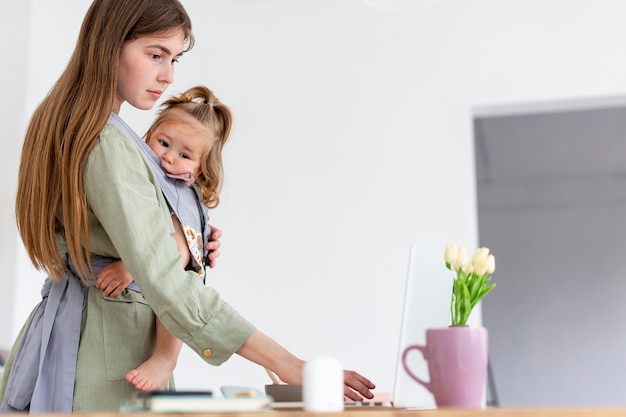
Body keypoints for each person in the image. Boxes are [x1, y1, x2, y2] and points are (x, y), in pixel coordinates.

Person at [0, 0, 375, 413]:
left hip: (75, 337)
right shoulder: (107, 142)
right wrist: (289, 364)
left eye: (174, 59)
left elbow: (139, 246)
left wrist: (184, 241)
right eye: (155, 54)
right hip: (106, 351)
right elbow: (167, 281)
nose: (168, 76)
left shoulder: (73, 123)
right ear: (108, 45)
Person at [96, 85, 234, 392]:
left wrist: (128, 268)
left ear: (200, 168)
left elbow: (178, 250)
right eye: (163, 143)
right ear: (149, 136)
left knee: (174, 306)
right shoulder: (150, 174)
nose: (169, 157)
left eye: (185, 155)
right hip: (156, 277)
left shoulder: (182, 192)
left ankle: (164, 358)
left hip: (177, 275)